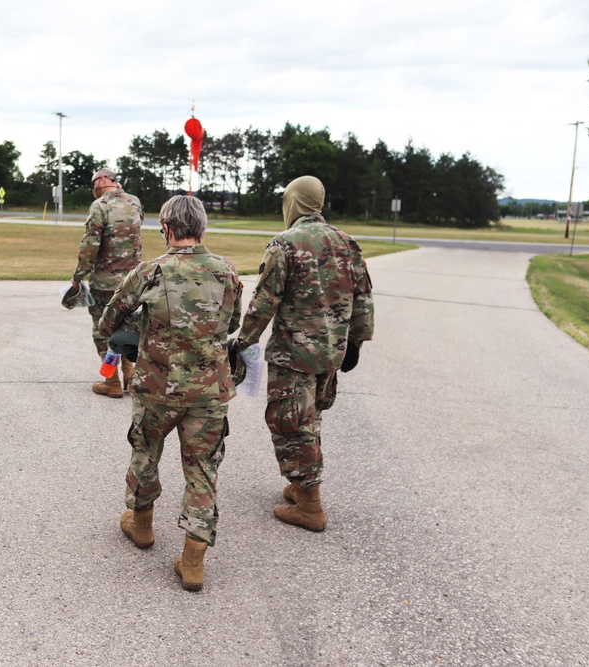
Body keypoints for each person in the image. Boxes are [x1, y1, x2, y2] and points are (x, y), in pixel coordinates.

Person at [98, 195, 242, 592]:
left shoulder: (149, 271)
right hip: (209, 391)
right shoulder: (227, 272)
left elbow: (109, 318)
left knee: (146, 451)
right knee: (202, 470)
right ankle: (193, 561)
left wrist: (133, 337)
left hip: (157, 388)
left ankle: (141, 525)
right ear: (202, 228)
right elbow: (234, 322)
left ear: (167, 229)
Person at [232, 175, 374, 532]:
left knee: (291, 423)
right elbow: (364, 299)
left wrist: (243, 341)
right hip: (331, 354)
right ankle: (300, 485)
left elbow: (265, 302)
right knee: (311, 419)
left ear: (293, 202)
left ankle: (311, 504)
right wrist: (356, 341)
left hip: (293, 354)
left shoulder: (285, 245)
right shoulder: (347, 242)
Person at [72, 168, 143, 398]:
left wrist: (78, 275)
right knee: (128, 327)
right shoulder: (135, 203)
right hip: (133, 282)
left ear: (102, 180)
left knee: (103, 331)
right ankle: (130, 373)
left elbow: (90, 245)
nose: (92, 188)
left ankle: (111, 381)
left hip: (105, 283)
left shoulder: (100, 206)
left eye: (93, 183)